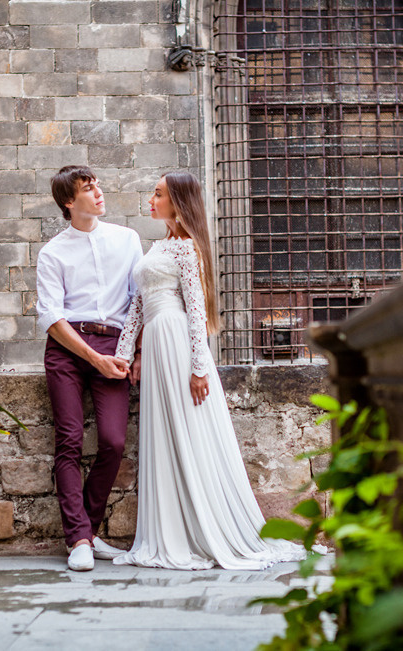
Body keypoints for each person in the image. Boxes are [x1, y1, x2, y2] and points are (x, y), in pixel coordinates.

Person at [112, 171, 310, 570]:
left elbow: (197, 311)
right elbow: (138, 304)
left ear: (178, 202)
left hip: (176, 343)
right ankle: (172, 529)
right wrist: (126, 354)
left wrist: (200, 368)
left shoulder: (187, 249)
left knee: (187, 427)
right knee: (162, 432)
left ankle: (204, 529)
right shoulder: (157, 247)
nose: (151, 199)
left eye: (158, 194)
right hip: (154, 345)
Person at [36, 165, 143, 571]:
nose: (98, 193)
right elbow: (51, 316)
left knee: (114, 441)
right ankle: (78, 538)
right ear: (69, 201)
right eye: (87, 188)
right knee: (69, 441)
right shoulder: (53, 253)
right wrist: (91, 357)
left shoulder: (126, 239)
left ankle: (90, 530)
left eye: (97, 184)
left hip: (114, 344)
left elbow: (139, 300)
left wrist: (133, 352)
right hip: (66, 347)